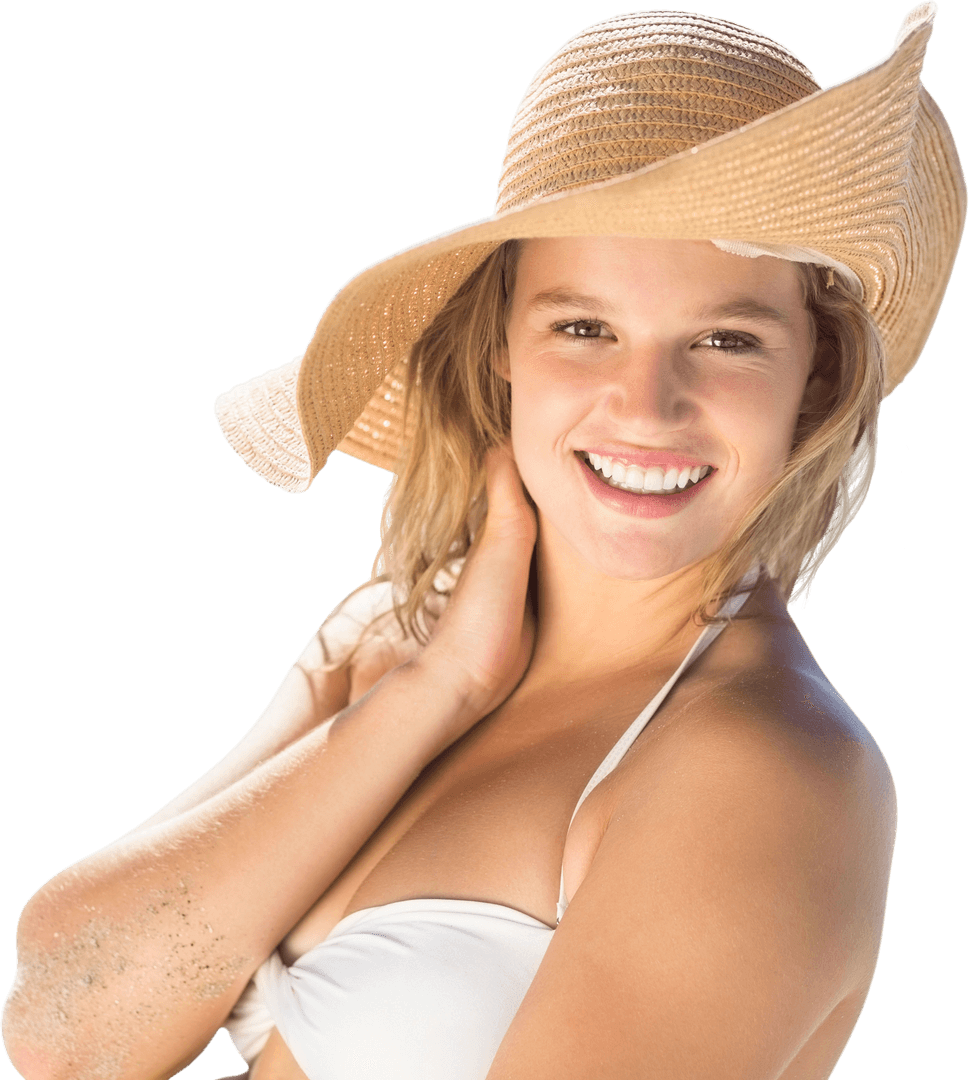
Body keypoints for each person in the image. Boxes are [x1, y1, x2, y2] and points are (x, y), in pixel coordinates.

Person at [2, 5, 964, 1080]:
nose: (647, 406)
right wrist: (437, 690)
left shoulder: (760, 769)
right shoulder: (391, 639)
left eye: (725, 339)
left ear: (815, 377)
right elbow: (64, 1029)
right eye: (583, 327)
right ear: (502, 340)